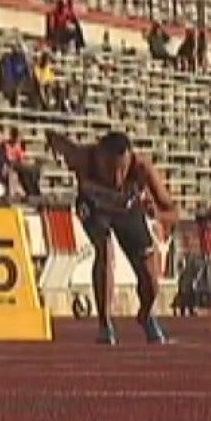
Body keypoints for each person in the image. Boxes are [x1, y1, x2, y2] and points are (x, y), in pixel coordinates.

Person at [46, 129, 179, 344]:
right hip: (94, 208)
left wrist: (158, 214)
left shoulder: (142, 169)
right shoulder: (83, 158)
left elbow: (174, 211)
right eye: (110, 169)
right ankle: (104, 322)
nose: (117, 178)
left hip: (128, 211)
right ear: (99, 157)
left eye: (122, 170)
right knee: (104, 250)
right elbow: (59, 142)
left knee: (150, 276)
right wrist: (52, 142)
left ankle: (146, 314)